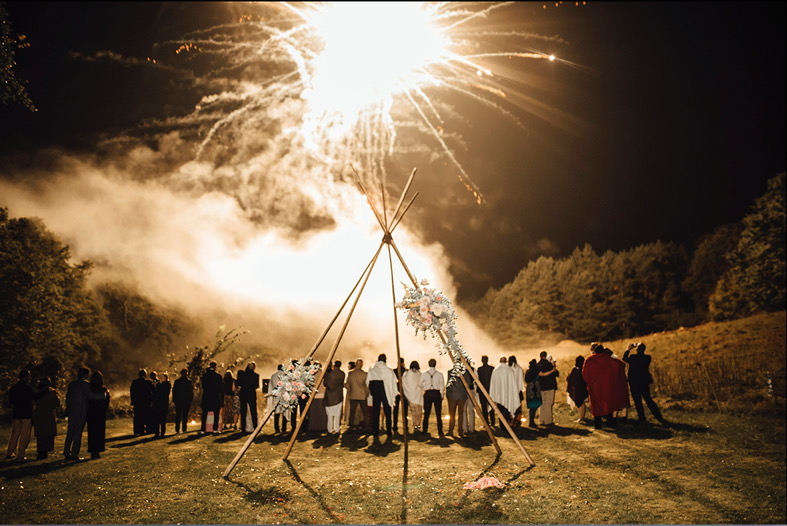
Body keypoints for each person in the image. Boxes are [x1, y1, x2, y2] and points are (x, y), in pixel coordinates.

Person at [582, 343, 629, 429]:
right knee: (608, 402)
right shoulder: (609, 359)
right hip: (608, 385)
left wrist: (589, 383)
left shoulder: (589, 360)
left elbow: (585, 374)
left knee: (596, 405)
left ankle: (598, 425)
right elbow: (621, 365)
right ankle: (609, 422)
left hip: (595, 386)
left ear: (594, 351)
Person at [623, 342, 666, 424]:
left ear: (637, 349)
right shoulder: (647, 357)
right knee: (648, 399)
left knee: (637, 401)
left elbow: (624, 358)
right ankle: (658, 416)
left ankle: (642, 418)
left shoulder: (633, 357)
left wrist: (628, 349)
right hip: (644, 381)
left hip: (634, 382)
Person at [5, 369, 35, 460]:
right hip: (26, 413)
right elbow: (34, 397)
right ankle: (21, 454)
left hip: (17, 413)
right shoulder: (28, 388)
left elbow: (11, 401)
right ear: (27, 377)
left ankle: (10, 452)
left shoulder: (14, 388)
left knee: (15, 433)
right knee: (25, 434)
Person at [366, 353, 397, 438]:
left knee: (376, 411)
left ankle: (376, 430)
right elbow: (393, 382)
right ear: (385, 360)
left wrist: (372, 390)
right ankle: (389, 430)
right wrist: (392, 392)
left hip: (376, 391)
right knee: (387, 411)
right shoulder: (389, 371)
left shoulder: (372, 370)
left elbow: (368, 382)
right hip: (386, 392)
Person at [63, 367, 92, 460]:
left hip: (72, 410)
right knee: (78, 433)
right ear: (86, 375)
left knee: (70, 432)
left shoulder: (72, 385)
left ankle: (66, 452)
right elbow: (90, 396)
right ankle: (74, 453)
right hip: (81, 411)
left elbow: (68, 398)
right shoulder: (86, 385)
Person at [32, 377, 60, 460]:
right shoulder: (52, 393)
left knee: (40, 435)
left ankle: (40, 451)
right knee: (48, 434)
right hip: (49, 415)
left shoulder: (37, 394)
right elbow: (57, 403)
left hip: (39, 415)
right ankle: (45, 451)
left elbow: (33, 404)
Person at [86, 371, 110, 459]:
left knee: (93, 432)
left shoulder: (89, 388)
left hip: (92, 412)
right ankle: (97, 450)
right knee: (98, 432)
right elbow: (106, 401)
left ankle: (94, 450)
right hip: (99, 412)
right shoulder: (103, 389)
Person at [419, 358, 445, 436]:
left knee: (426, 413)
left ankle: (424, 430)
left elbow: (419, 384)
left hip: (428, 393)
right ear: (435, 364)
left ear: (428, 364)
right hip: (436, 393)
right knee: (438, 414)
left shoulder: (424, 374)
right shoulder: (439, 374)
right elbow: (442, 386)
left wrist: (425, 387)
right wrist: (442, 395)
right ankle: (440, 432)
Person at [489, 356, 518, 427]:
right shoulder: (509, 370)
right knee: (507, 409)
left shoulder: (496, 370)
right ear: (506, 361)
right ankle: (507, 423)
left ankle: (502, 424)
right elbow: (513, 383)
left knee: (500, 410)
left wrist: (494, 394)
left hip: (499, 395)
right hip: (508, 394)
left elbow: (493, 384)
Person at [445, 367, 473, 437]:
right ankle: (460, 431)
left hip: (452, 396)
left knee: (452, 414)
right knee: (461, 414)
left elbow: (449, 384)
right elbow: (468, 383)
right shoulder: (465, 373)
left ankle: (451, 430)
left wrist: (448, 394)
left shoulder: (450, 372)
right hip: (462, 395)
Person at [200, 362, 223, 434]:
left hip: (206, 396)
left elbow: (203, 386)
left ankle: (203, 429)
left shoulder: (205, 376)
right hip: (215, 396)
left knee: (204, 414)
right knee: (216, 414)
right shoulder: (218, 376)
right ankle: (215, 429)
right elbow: (220, 388)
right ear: (215, 367)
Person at [345, 358, 368, 431]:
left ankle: (351, 426)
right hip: (362, 395)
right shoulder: (365, 374)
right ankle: (367, 427)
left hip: (353, 395)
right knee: (364, 412)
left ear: (355, 364)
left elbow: (347, 384)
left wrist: (349, 391)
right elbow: (366, 385)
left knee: (352, 412)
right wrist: (367, 393)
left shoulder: (350, 373)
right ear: (362, 365)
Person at [324, 360, 346, 434]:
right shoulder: (342, 374)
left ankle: (330, 429)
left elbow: (325, 383)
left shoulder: (330, 374)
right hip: (338, 396)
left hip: (329, 396)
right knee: (337, 414)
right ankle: (337, 428)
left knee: (330, 415)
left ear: (334, 365)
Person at [537, 352, 559, 425]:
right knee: (548, 403)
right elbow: (556, 374)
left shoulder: (538, 365)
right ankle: (548, 420)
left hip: (541, 387)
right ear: (545, 356)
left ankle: (542, 420)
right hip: (550, 386)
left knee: (542, 404)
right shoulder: (549, 365)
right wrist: (554, 367)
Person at [402, 360, 424, 433]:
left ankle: (415, 425)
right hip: (419, 396)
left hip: (411, 396)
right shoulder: (420, 374)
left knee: (413, 412)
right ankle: (418, 425)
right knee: (419, 412)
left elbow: (403, 382)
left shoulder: (407, 374)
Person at [129, 370, 154, 436]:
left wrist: (133, 401)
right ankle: (144, 430)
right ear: (145, 375)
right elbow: (152, 392)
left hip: (137, 402)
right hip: (146, 402)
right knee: (145, 416)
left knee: (137, 416)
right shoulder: (148, 382)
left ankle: (137, 430)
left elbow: (132, 392)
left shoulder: (134, 382)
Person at [238, 361, 260, 432]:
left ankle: (243, 428)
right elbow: (257, 386)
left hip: (243, 393)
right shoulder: (256, 375)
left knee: (243, 411)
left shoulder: (242, 374)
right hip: (251, 394)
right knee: (253, 411)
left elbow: (239, 383)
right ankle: (255, 426)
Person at [567, 355, 589, 423]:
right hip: (583, 389)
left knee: (580, 404)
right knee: (581, 404)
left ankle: (581, 417)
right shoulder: (583, 369)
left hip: (577, 390)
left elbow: (570, 379)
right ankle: (582, 417)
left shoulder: (575, 370)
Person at [172, 369, 193, 434]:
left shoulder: (177, 381)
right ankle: (184, 428)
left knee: (178, 415)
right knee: (185, 415)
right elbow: (190, 392)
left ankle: (177, 429)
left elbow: (174, 391)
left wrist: (174, 399)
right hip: (186, 400)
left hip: (178, 400)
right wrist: (190, 400)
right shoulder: (189, 382)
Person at [270, 364, 290, 433]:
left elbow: (271, 386)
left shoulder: (273, 376)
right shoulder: (285, 375)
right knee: (284, 412)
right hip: (284, 395)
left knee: (277, 412)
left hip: (276, 395)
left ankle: (276, 428)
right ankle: (284, 428)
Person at [476, 355, 495, 426]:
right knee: (492, 406)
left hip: (482, 390)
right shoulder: (492, 368)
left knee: (484, 407)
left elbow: (478, 380)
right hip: (491, 390)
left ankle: (486, 422)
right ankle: (492, 421)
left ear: (482, 361)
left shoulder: (480, 369)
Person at [524, 359, 542, 427]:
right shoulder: (536, 371)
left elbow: (526, 380)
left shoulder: (528, 371)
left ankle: (531, 421)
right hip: (535, 390)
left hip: (530, 390)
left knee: (532, 407)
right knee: (534, 407)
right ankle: (531, 422)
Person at [152, 372, 171, 437]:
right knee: (159, 418)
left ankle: (161, 432)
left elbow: (158, 391)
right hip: (161, 403)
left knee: (161, 418)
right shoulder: (162, 384)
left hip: (162, 403)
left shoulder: (166, 384)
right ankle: (158, 432)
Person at [509, 356, 526, 426]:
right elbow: (522, 380)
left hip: (511, 391)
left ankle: (511, 421)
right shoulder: (519, 369)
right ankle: (517, 421)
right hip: (518, 391)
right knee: (518, 408)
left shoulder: (509, 369)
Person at [392, 357, 407, 433]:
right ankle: (406, 425)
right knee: (405, 410)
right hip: (404, 392)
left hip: (396, 391)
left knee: (396, 410)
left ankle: (395, 425)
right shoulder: (406, 371)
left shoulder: (394, 371)